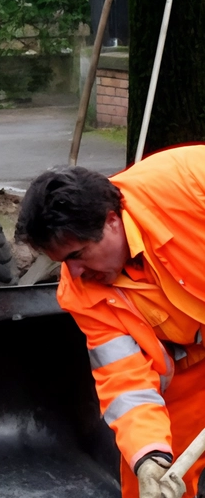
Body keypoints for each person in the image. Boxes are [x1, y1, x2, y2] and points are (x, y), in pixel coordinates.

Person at [15, 145, 205, 498]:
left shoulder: (188, 182)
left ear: (112, 220)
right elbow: (125, 379)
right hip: (191, 367)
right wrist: (148, 455)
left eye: (77, 255)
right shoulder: (80, 292)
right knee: (150, 483)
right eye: (62, 262)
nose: (73, 273)